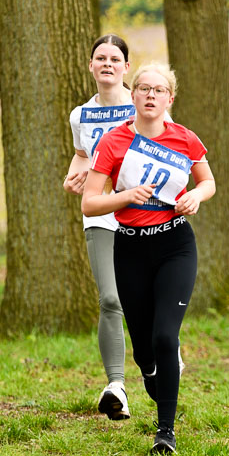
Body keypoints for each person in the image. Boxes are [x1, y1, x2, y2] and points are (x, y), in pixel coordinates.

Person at [82, 62, 216, 454]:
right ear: (134, 95)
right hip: (130, 247)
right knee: (143, 348)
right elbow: (90, 203)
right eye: (143, 88)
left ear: (169, 98)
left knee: (164, 336)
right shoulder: (112, 142)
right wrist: (124, 196)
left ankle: (165, 432)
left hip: (174, 244)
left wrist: (196, 195)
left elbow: (207, 181)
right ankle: (153, 376)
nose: (151, 95)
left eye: (159, 90)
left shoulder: (185, 139)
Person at [64, 34, 135, 421]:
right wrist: (72, 177)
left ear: (126, 67)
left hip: (143, 211)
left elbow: (169, 149)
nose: (107, 63)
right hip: (99, 214)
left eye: (114, 58)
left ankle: (164, 347)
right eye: (100, 58)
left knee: (144, 298)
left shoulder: (143, 103)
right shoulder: (80, 115)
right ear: (90, 66)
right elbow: (80, 156)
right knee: (110, 299)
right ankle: (117, 387)